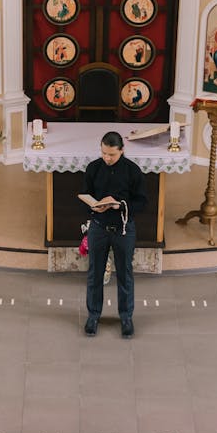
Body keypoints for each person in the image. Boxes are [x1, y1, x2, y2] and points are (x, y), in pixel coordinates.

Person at [83, 132, 147, 338]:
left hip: (123, 229)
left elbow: (142, 202)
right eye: (104, 153)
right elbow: (86, 194)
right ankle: (93, 315)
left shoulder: (132, 171)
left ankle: (126, 317)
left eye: (112, 154)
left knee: (125, 274)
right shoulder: (93, 168)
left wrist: (120, 205)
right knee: (95, 273)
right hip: (98, 228)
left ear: (122, 150)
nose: (107, 158)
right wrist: (95, 207)